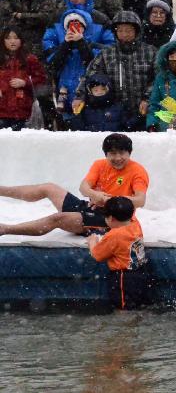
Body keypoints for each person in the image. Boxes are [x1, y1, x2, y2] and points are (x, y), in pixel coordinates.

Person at [0, 133, 148, 237]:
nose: (117, 158)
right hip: (91, 207)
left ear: (129, 153)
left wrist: (110, 201)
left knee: (58, 218)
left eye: (122, 153)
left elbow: (140, 200)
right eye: (112, 154)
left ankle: (5, 229)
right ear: (106, 154)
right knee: (48, 187)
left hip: (112, 219)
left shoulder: (137, 171)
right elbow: (83, 187)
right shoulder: (100, 164)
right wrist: (95, 195)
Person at [74, 11, 157, 132]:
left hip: (143, 110)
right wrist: (80, 96)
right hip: (114, 113)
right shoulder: (107, 53)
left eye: (128, 30)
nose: (124, 34)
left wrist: (147, 98)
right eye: (120, 30)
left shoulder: (150, 52)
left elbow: (159, 78)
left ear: (137, 31)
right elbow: (89, 76)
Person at [43, 8, 115, 123]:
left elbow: (91, 62)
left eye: (78, 25)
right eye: (71, 25)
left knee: (86, 122)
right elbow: (53, 64)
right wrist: (66, 44)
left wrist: (81, 42)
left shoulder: (92, 45)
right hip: (64, 91)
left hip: (86, 92)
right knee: (67, 123)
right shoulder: (62, 45)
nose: (75, 28)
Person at [87, 196, 154, 310]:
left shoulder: (114, 235)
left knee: (123, 309)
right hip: (142, 272)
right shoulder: (135, 224)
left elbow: (97, 255)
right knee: (139, 306)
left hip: (124, 278)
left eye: (106, 217)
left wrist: (92, 242)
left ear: (111, 218)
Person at [0, 26, 46, 130]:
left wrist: (25, 83)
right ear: (3, 40)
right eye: (8, 38)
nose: (12, 41)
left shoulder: (30, 59)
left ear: (21, 40)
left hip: (22, 111)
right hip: (1, 110)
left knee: (20, 143)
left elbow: (41, 79)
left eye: (16, 38)